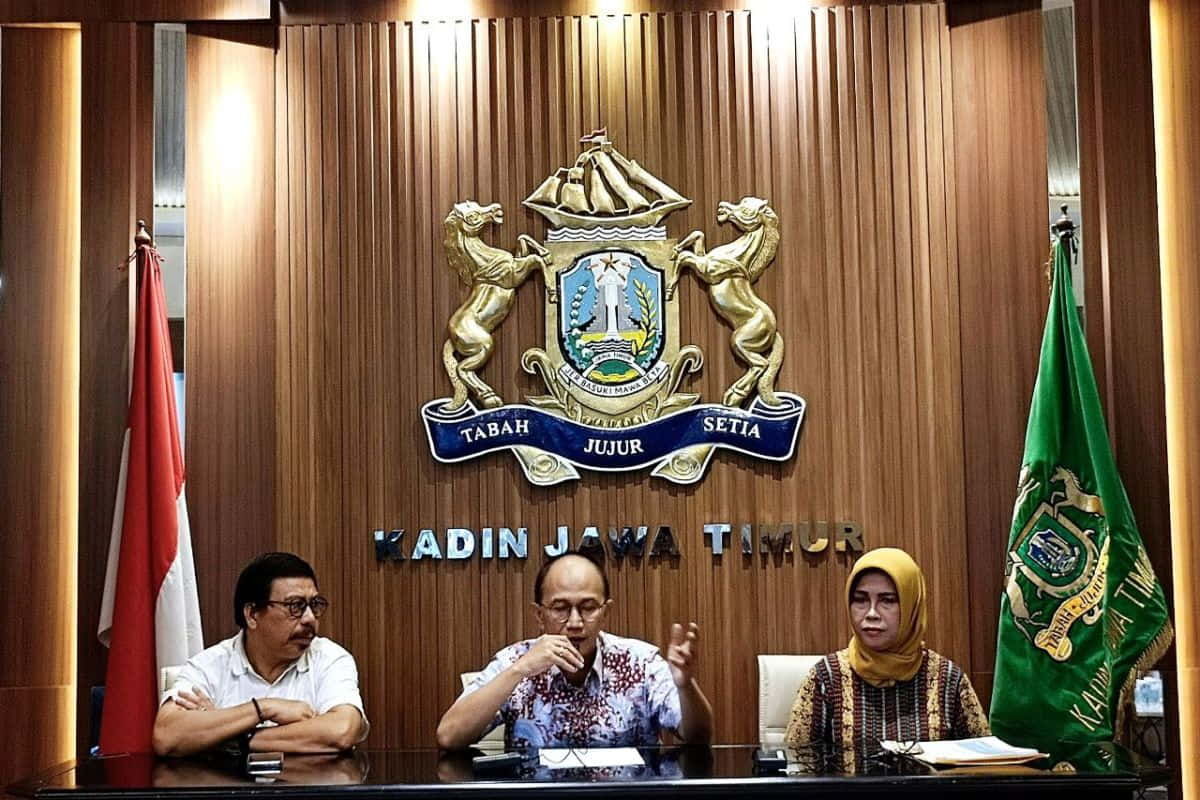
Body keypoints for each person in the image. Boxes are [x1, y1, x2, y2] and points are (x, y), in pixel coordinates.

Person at [436, 550, 714, 750]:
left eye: (588, 608)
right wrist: (519, 671)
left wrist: (685, 686)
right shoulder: (515, 660)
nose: (575, 622)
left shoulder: (640, 662)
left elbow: (698, 737)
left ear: (605, 612)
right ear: (539, 615)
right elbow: (448, 737)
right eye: (560, 608)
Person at [784, 547, 989, 771]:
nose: (871, 613)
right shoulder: (827, 677)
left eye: (887, 601)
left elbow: (983, 766)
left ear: (911, 606)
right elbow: (797, 767)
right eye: (860, 600)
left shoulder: (947, 679)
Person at [152, 552, 369, 756]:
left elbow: (342, 730)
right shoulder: (208, 666)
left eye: (314, 605)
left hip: (308, 784)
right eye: (295, 606)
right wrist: (264, 708)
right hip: (229, 785)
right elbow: (167, 736)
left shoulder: (330, 658)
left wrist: (229, 737)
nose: (309, 618)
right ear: (252, 614)